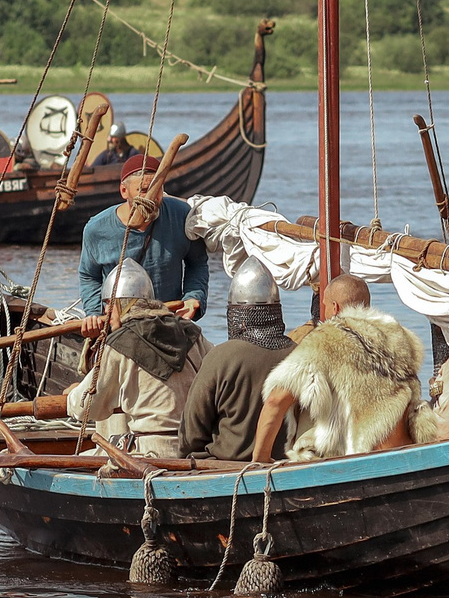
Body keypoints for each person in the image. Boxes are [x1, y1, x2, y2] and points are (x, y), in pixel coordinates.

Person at [252, 274, 423, 462]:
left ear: (335, 307)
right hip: (404, 450)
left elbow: (275, 401)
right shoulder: (400, 336)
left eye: (325, 306)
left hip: (351, 458)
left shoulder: (326, 338)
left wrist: (260, 459)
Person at [64, 262, 206, 460]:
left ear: (124, 304)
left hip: (150, 453)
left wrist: (72, 396)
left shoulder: (119, 343)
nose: (105, 311)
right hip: (196, 449)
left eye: (109, 303)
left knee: (80, 460)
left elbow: (86, 407)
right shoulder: (192, 333)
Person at [180, 260, 296, 461]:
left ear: (238, 316)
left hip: (224, 467)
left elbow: (192, 432)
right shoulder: (299, 355)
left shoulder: (220, 357)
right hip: (286, 466)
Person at [77, 160, 205, 318]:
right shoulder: (96, 228)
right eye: (144, 190)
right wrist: (94, 314)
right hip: (118, 323)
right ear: (124, 191)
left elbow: (197, 263)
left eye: (157, 189)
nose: (152, 198)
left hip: (170, 320)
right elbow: (89, 276)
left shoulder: (183, 216)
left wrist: (192, 298)